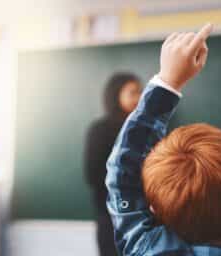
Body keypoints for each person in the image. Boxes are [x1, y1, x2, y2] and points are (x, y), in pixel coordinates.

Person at [106, 23, 221, 256]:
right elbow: (123, 180)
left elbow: (122, 176)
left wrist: (168, 82)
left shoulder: (144, 250)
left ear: (155, 209)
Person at [84, 72, 142, 256]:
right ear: (116, 94)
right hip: (111, 216)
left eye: (140, 92)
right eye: (132, 92)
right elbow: (92, 174)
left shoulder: (144, 128)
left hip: (142, 216)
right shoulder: (100, 130)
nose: (139, 98)